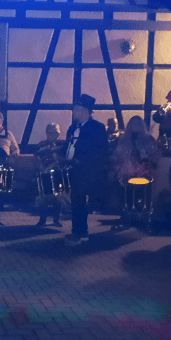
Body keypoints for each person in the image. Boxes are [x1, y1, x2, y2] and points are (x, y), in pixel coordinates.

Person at [61, 94, 108, 246]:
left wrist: (81, 162)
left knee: (79, 202)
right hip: (72, 170)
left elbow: (101, 151)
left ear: (86, 111)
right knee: (76, 202)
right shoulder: (72, 128)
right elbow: (68, 146)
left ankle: (80, 232)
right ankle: (79, 232)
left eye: (77, 109)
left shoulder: (97, 127)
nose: (74, 112)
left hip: (86, 171)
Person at [34, 123, 63, 227]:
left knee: (58, 198)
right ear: (47, 133)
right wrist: (41, 168)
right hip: (45, 174)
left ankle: (56, 219)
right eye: (51, 132)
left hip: (59, 175)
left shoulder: (63, 144)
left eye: (56, 132)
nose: (54, 135)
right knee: (44, 198)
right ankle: (42, 219)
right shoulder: (41, 145)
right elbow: (36, 159)